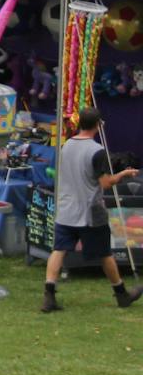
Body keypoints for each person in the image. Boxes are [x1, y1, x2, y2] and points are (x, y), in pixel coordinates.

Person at [43, 107, 143, 311]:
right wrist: (123, 174)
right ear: (98, 125)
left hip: (66, 209)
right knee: (105, 253)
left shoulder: (67, 145)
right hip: (89, 211)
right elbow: (105, 183)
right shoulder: (96, 151)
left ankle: (49, 295)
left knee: (59, 250)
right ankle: (121, 294)